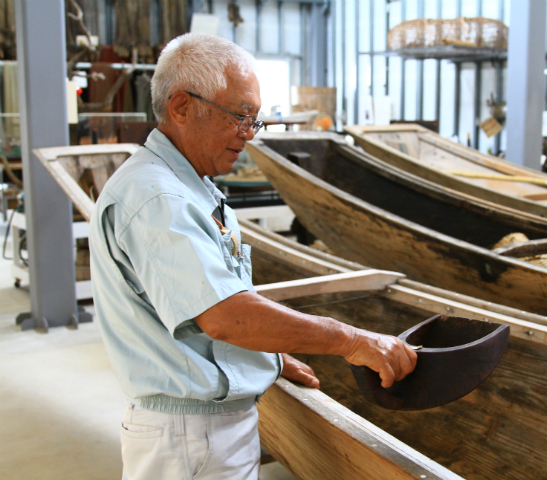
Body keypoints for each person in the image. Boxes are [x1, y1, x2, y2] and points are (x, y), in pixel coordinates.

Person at [88, 33, 417, 480]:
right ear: (182, 107)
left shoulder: (190, 186)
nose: (248, 134)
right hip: (191, 439)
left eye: (254, 120)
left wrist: (269, 359)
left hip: (204, 432)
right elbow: (226, 315)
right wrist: (352, 340)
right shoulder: (158, 198)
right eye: (240, 116)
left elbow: (207, 309)